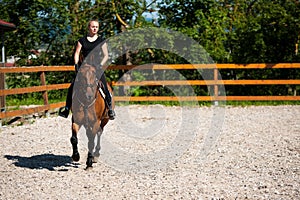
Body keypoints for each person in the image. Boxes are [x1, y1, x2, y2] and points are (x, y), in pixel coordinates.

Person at [59, 20, 116, 120]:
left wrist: (101, 65)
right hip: (84, 69)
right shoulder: (82, 41)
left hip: (97, 68)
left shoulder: (101, 40)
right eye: (93, 26)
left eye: (97, 27)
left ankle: (110, 109)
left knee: (105, 87)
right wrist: (76, 64)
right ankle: (67, 108)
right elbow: (77, 53)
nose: (95, 29)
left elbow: (106, 55)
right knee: (72, 86)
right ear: (88, 27)